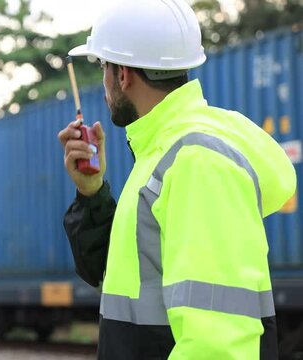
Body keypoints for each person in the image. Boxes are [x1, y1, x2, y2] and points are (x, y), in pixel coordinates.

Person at [58, 0, 296, 359]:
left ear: (122, 74)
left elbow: (218, 345)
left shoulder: (196, 160)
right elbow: (117, 276)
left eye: (104, 66)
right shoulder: (164, 153)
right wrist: (92, 193)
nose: (104, 84)